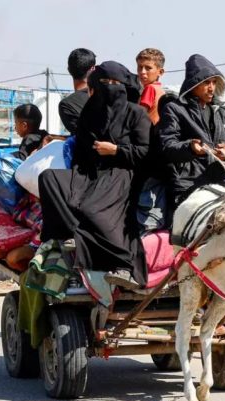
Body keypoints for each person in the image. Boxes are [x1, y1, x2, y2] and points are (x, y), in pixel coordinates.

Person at [38, 61, 151, 290]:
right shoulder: (90, 113)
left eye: (114, 84)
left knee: (92, 210)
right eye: (104, 83)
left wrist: (116, 150)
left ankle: (120, 261)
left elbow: (146, 153)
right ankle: (70, 232)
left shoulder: (136, 114)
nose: (109, 88)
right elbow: (81, 149)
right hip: (89, 173)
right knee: (49, 178)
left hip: (121, 173)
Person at [158, 54, 225, 209]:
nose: (211, 88)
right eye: (206, 82)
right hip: (188, 186)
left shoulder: (222, 112)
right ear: (193, 85)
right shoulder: (175, 110)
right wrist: (190, 148)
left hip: (220, 185)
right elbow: (167, 147)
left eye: (214, 82)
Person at [57, 48, 96, 136]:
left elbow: (81, 137)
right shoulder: (105, 95)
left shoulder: (67, 105)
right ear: (93, 69)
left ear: (68, 69)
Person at [136, 48, 166, 125]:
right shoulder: (160, 90)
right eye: (140, 67)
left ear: (160, 72)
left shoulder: (150, 88)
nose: (142, 72)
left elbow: (139, 115)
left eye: (148, 68)